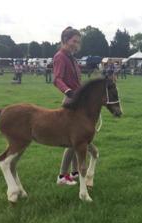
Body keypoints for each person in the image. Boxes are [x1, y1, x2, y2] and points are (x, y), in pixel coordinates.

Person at [53, 26, 99, 186]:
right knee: (75, 141)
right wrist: (69, 92)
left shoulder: (71, 57)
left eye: (78, 41)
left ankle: (73, 173)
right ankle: (62, 176)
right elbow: (57, 79)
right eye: (74, 41)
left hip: (79, 101)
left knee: (77, 141)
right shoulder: (60, 56)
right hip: (71, 102)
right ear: (65, 40)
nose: (76, 44)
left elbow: (76, 80)